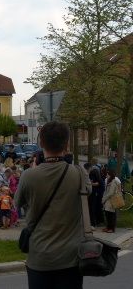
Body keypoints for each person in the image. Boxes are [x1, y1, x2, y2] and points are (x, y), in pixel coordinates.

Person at [15, 121, 91, 289]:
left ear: (41, 143)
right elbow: (89, 195)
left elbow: (16, 203)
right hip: (71, 258)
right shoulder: (79, 173)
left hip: (40, 258)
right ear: (67, 144)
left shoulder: (29, 176)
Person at [101, 169, 122, 233]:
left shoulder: (113, 182)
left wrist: (104, 199)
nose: (106, 175)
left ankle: (111, 228)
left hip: (110, 200)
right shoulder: (109, 181)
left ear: (110, 175)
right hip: (108, 200)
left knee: (110, 215)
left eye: (108, 174)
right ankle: (108, 227)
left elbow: (111, 193)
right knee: (108, 214)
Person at [84, 162, 103, 228]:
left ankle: (93, 223)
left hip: (95, 193)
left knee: (92, 208)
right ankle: (93, 222)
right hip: (92, 193)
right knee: (91, 207)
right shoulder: (88, 173)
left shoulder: (94, 172)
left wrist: (90, 184)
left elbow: (99, 183)